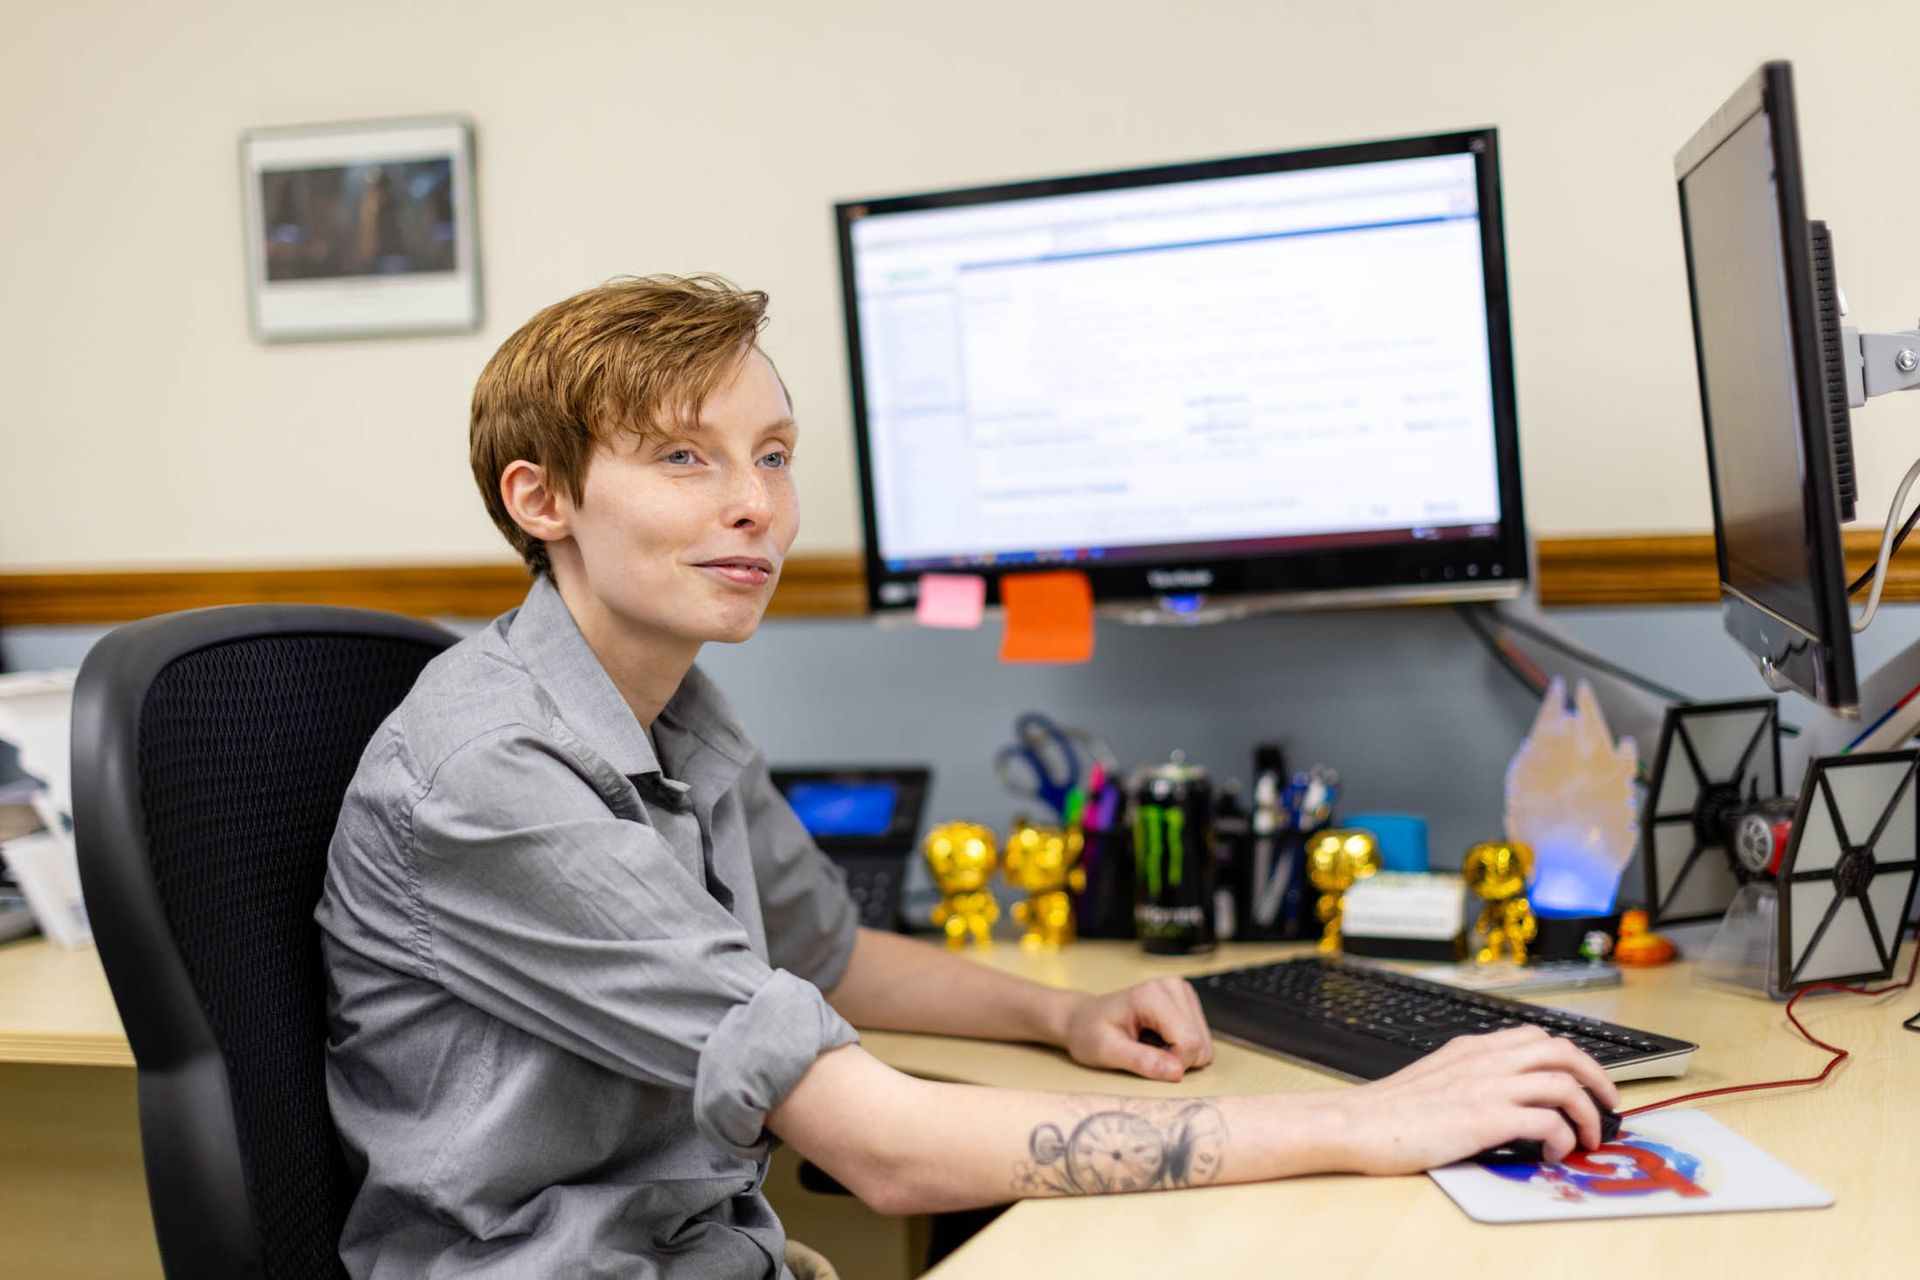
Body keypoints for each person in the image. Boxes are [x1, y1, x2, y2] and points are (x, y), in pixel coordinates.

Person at [318, 274, 1618, 1279]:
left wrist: (1057, 1017)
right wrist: (1360, 1123)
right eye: (684, 457)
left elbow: (823, 957)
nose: (759, 506)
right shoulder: (494, 772)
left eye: (773, 454)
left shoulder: (672, 709)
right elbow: (882, 1151)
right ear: (541, 500)